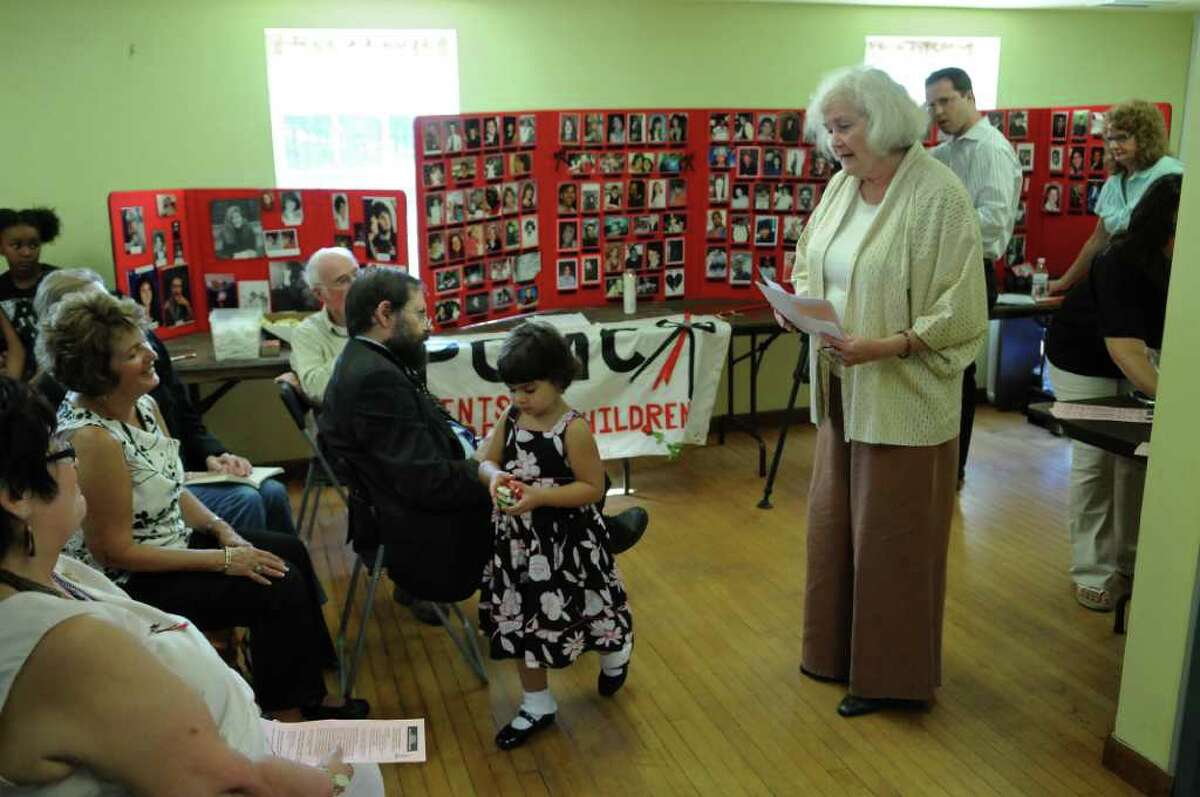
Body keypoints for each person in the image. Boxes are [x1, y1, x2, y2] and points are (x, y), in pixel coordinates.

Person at [0, 377, 383, 796]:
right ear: (18, 494)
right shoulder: (68, 646)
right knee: (361, 768)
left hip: (247, 744)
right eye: (61, 451)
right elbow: (232, 786)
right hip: (249, 769)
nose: (74, 464)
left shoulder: (54, 575)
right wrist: (331, 778)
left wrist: (221, 532)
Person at [36, 290, 364, 720]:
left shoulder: (144, 404)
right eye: (134, 352)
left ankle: (308, 693)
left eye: (145, 342)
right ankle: (289, 719)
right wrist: (223, 559)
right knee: (276, 588)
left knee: (289, 550)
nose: (152, 354)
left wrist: (220, 528)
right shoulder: (94, 440)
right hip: (133, 579)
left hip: (168, 545)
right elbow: (114, 553)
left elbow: (170, 484)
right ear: (98, 371)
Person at [778, 66, 987, 717]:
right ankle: (833, 653)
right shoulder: (844, 186)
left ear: (886, 119)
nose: (835, 140)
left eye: (846, 125)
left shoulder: (937, 194)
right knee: (835, 528)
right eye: (829, 128)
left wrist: (888, 343)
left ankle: (890, 677)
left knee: (892, 541)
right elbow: (811, 256)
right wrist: (797, 305)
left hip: (902, 394)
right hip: (844, 385)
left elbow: (961, 307)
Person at [318, 271, 648, 616]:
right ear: (385, 315)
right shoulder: (375, 378)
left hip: (408, 502)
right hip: (430, 530)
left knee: (545, 454)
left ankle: (594, 534)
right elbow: (427, 483)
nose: (426, 325)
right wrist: (484, 468)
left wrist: (480, 450)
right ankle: (594, 540)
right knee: (556, 466)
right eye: (418, 314)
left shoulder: (365, 360)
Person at [477, 322, 634, 750]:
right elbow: (485, 462)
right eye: (513, 389)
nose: (520, 399)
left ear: (558, 380)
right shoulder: (510, 417)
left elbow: (592, 488)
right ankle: (536, 702)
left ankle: (616, 652)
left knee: (589, 607)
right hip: (518, 544)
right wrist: (495, 479)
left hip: (568, 545)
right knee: (524, 619)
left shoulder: (573, 428)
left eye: (529, 388)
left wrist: (539, 497)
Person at [1044, 174, 1181, 611]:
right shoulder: (1119, 260)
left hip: (1137, 351)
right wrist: (1179, 406)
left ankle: (1131, 562)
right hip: (1083, 357)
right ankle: (1093, 570)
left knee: (1138, 460)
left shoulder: (1184, 259)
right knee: (1095, 460)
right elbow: (1126, 352)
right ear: (1161, 224)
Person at [925, 67, 1021, 488]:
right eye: (932, 105)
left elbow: (993, 227)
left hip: (972, 273)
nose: (938, 112)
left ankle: (954, 469)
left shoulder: (989, 151)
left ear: (969, 97)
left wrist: (937, 232)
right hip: (943, 271)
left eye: (945, 101)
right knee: (935, 371)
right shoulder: (947, 152)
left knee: (958, 373)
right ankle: (935, 462)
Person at [1050, 101, 1183, 294]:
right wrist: (1063, 282)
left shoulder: (1169, 172)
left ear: (1145, 137)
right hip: (1116, 282)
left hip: (1154, 287)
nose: (1113, 146)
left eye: (1122, 138)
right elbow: (1097, 241)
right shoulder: (1113, 183)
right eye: (1110, 139)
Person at [0, 207, 59, 380]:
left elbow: (59, 343)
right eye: (16, 246)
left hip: (59, 373)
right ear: (2, 247)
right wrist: (14, 391)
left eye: (33, 245)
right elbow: (14, 349)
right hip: (19, 375)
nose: (26, 253)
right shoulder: (1, 289)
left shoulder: (56, 282)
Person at [291, 248, 356, 404]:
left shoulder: (384, 317)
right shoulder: (307, 333)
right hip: (345, 423)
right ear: (319, 294)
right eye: (343, 280)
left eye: (356, 274)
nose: (357, 284)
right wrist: (363, 342)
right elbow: (317, 390)